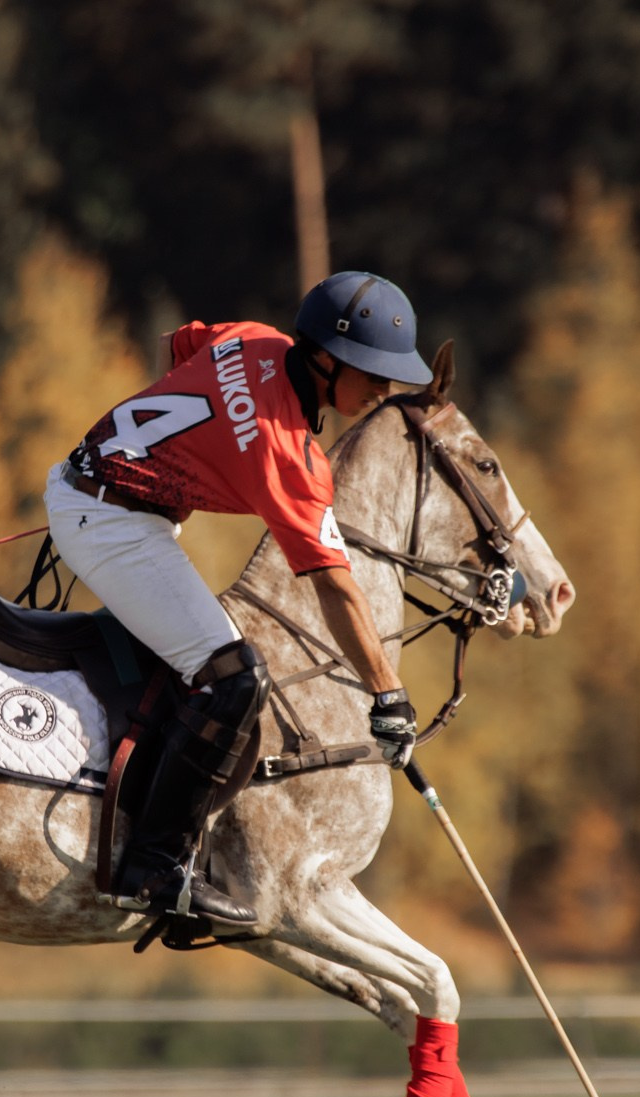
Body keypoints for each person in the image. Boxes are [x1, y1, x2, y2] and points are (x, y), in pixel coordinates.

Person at [51, 271, 430, 926]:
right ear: (323, 359)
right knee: (232, 678)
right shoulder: (288, 453)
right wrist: (388, 695)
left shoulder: (253, 338)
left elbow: (182, 346)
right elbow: (336, 585)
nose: (384, 391)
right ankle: (153, 866)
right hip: (111, 519)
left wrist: (145, 455)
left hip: (95, 485)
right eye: (373, 374)